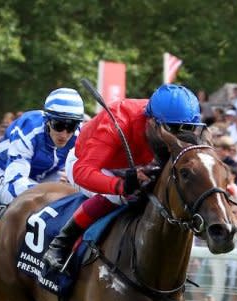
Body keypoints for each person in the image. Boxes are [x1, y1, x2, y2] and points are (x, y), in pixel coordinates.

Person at [43, 83, 204, 271]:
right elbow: (82, 171)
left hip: (135, 164)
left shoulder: (168, 118)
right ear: (152, 121)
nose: (180, 137)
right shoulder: (117, 121)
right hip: (89, 164)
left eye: (188, 128)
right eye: (173, 129)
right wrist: (121, 185)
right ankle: (60, 244)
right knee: (121, 196)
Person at [0, 87, 85, 253]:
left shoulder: (79, 135)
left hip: (46, 175)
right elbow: (15, 181)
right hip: (6, 174)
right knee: (20, 199)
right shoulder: (29, 128)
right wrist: (48, 196)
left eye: (71, 126)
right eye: (59, 125)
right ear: (47, 120)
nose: (64, 134)